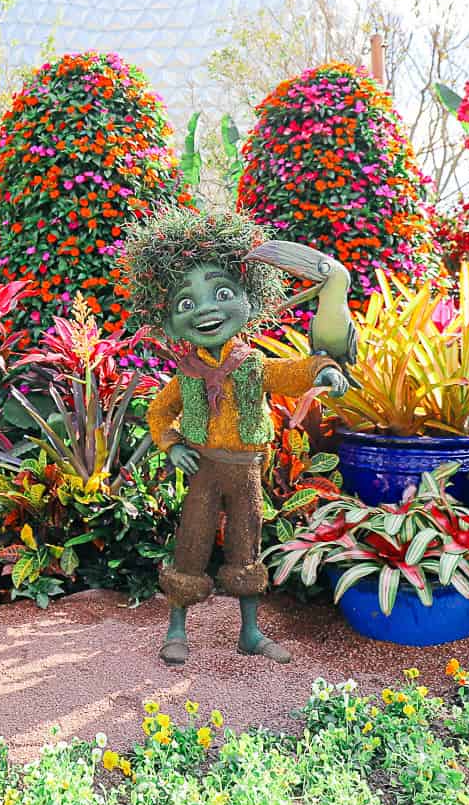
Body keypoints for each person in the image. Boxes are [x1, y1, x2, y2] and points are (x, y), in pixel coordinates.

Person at [122, 206, 352, 666]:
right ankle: (176, 629)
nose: (206, 310)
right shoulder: (185, 375)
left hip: (245, 470)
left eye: (221, 293)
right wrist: (172, 444)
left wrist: (326, 370)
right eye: (186, 304)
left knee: (247, 548)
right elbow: (156, 411)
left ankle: (250, 632)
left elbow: (293, 371)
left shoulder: (253, 365)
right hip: (205, 469)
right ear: (168, 324)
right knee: (191, 544)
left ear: (248, 299)